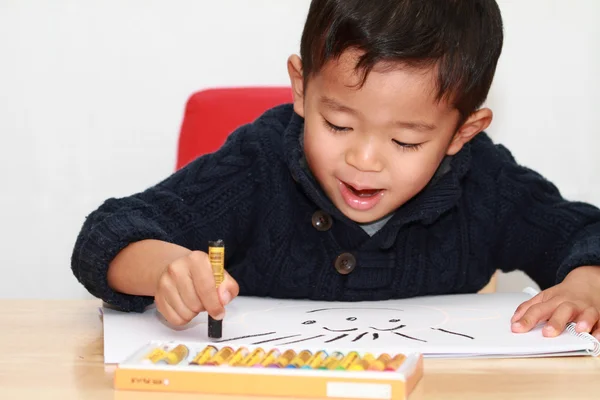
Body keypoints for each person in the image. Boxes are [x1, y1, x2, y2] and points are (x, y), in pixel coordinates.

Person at [71, 0, 600, 340]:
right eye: (339, 125)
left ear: (462, 132)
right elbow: (108, 235)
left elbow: (584, 231)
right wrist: (165, 268)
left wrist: (588, 283)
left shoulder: (483, 181)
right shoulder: (258, 166)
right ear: (301, 88)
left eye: (405, 140)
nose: (364, 161)